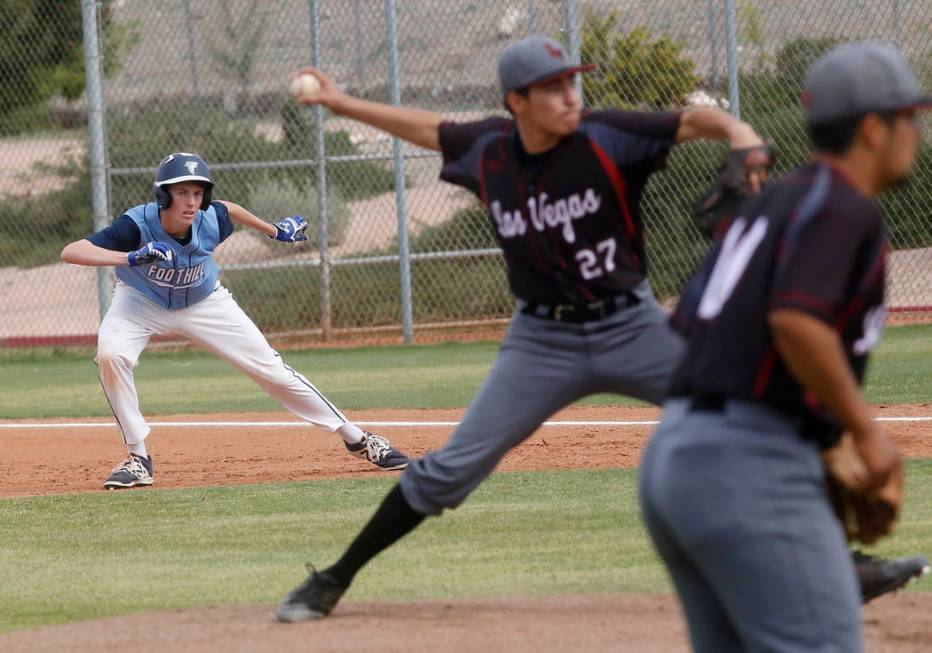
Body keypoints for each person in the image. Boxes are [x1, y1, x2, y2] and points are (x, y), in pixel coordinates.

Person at [274, 34, 771, 622]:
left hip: (631, 326)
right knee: (448, 471)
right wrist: (341, 103)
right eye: (552, 87)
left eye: (571, 82)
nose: (569, 96)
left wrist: (742, 135)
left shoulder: (607, 135)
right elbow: (428, 128)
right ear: (517, 101)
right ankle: (334, 579)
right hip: (542, 342)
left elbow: (693, 120)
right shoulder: (489, 150)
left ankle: (835, 561)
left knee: (748, 418)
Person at [639, 42, 929, 652]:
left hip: (677, 460)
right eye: (911, 117)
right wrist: (869, 438)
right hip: (749, 467)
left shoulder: (771, 202)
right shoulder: (845, 209)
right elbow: (796, 322)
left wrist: (826, 449)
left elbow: (699, 334)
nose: (918, 131)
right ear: (875, 129)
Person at [60, 152, 410, 489]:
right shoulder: (136, 224)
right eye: (181, 192)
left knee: (271, 370)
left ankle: (359, 439)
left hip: (203, 301)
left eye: (197, 193)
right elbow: (72, 251)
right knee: (111, 354)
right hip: (140, 301)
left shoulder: (211, 218)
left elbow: (231, 210)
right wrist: (131, 256)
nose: (190, 202)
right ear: (164, 195)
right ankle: (138, 458)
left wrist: (273, 230)